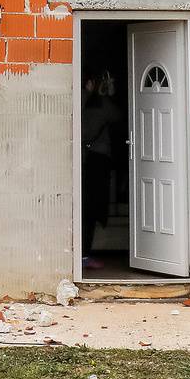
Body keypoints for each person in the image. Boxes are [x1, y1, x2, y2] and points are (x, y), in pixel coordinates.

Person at [81, 72, 115, 269]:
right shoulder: (99, 104)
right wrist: (108, 94)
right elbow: (118, 115)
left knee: (86, 207)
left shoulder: (80, 101)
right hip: (97, 159)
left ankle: (83, 254)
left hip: (85, 159)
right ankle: (85, 255)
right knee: (92, 208)